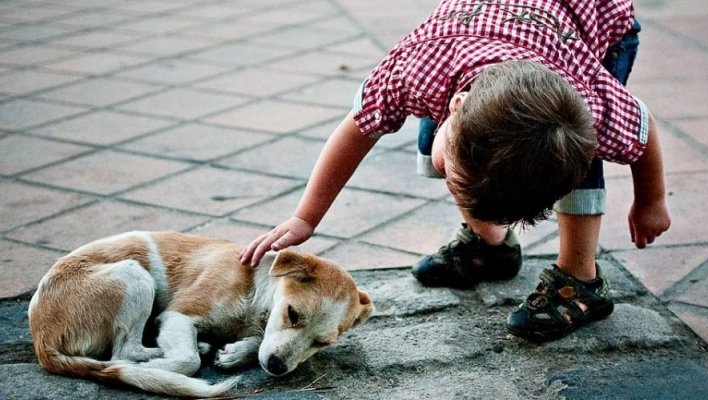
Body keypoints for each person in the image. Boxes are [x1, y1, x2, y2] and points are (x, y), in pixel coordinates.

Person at [241, 0, 671, 341]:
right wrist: (305, 217)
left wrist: (651, 201)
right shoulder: (414, 70)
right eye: (456, 183)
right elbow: (357, 129)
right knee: (435, 145)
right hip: (483, 37)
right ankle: (490, 248)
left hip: (600, 29)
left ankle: (581, 279)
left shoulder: (590, 103)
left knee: (574, 154)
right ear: (456, 105)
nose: (455, 188)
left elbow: (641, 123)